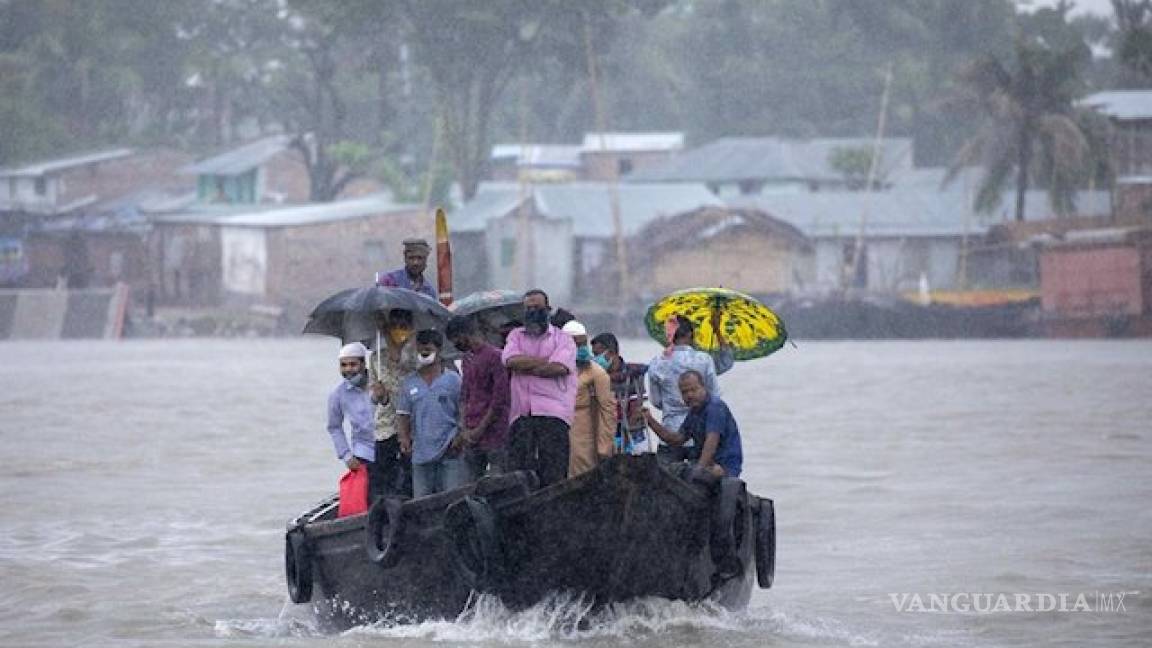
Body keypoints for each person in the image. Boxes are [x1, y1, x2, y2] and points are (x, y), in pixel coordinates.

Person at [501, 289, 577, 486]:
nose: (533, 312)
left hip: (553, 415)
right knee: (517, 478)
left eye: (537, 308)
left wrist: (526, 364)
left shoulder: (564, 339)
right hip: (522, 416)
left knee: (554, 476)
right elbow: (510, 361)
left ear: (548, 310)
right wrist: (544, 362)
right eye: (528, 308)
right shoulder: (515, 336)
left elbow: (558, 368)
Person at [395, 329, 467, 497]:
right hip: (420, 452)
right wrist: (404, 438)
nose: (424, 353)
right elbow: (402, 414)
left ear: (439, 350)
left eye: (428, 349)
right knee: (421, 502)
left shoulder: (453, 380)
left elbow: (463, 409)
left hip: (450, 448)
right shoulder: (409, 382)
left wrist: (461, 435)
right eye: (420, 350)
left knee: (452, 499)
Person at [647, 315, 727, 464]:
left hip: (668, 433)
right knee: (699, 483)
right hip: (699, 437)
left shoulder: (657, 363)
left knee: (665, 483)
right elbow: (714, 396)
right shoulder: (704, 360)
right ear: (690, 334)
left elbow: (656, 401)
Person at [643, 370, 743, 478]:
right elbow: (677, 440)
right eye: (685, 392)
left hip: (725, 466)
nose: (689, 395)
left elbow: (711, 441)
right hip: (705, 462)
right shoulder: (694, 411)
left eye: (693, 390)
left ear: (703, 387)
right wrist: (650, 420)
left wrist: (698, 470)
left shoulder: (715, 407)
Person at [445, 315, 511, 479]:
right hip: (471, 433)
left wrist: (480, 428)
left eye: (456, 339)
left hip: (495, 433)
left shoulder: (496, 357)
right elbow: (465, 394)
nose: (455, 344)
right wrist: (464, 428)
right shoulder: (467, 359)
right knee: (470, 485)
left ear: (465, 334)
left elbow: (499, 399)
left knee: (496, 481)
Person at [365, 309, 416, 500]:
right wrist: (378, 395)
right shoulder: (376, 357)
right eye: (395, 327)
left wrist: (387, 334)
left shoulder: (416, 355)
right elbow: (374, 396)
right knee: (381, 478)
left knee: (408, 479)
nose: (399, 331)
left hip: (412, 426)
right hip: (385, 426)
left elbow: (400, 362)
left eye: (403, 327)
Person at [562, 321, 615, 477]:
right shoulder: (554, 367)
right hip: (557, 426)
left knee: (582, 471)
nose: (581, 349)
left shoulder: (596, 373)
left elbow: (608, 409)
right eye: (576, 344)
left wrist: (604, 446)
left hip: (583, 429)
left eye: (583, 343)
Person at [327, 343, 377, 493]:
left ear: (363, 364)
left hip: (389, 447)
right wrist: (346, 456)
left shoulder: (380, 383)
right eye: (344, 365)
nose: (348, 369)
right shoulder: (338, 394)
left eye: (353, 364)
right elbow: (334, 427)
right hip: (364, 452)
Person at [590, 332, 650, 454]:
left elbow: (637, 410)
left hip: (631, 435)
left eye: (597, 354)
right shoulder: (595, 376)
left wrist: (623, 442)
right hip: (604, 437)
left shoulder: (633, 374)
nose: (595, 359)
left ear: (611, 353)